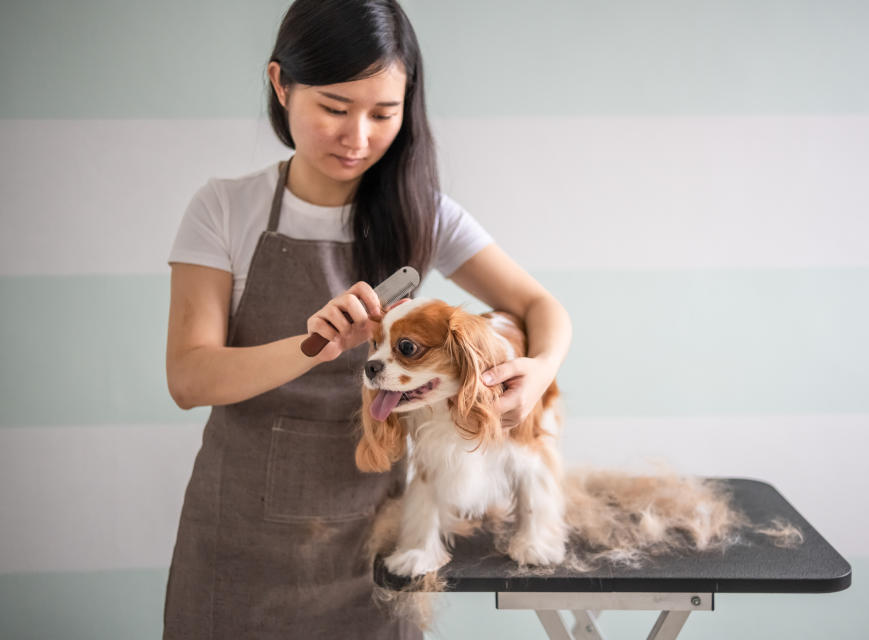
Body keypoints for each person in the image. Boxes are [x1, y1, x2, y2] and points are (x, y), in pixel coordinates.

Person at [162, 0, 572, 637]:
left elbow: (543, 309)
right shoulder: (224, 209)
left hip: (374, 536)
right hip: (238, 538)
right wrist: (311, 346)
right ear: (281, 84)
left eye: (384, 114)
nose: (358, 138)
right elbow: (189, 378)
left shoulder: (422, 213)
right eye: (333, 108)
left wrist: (536, 372)